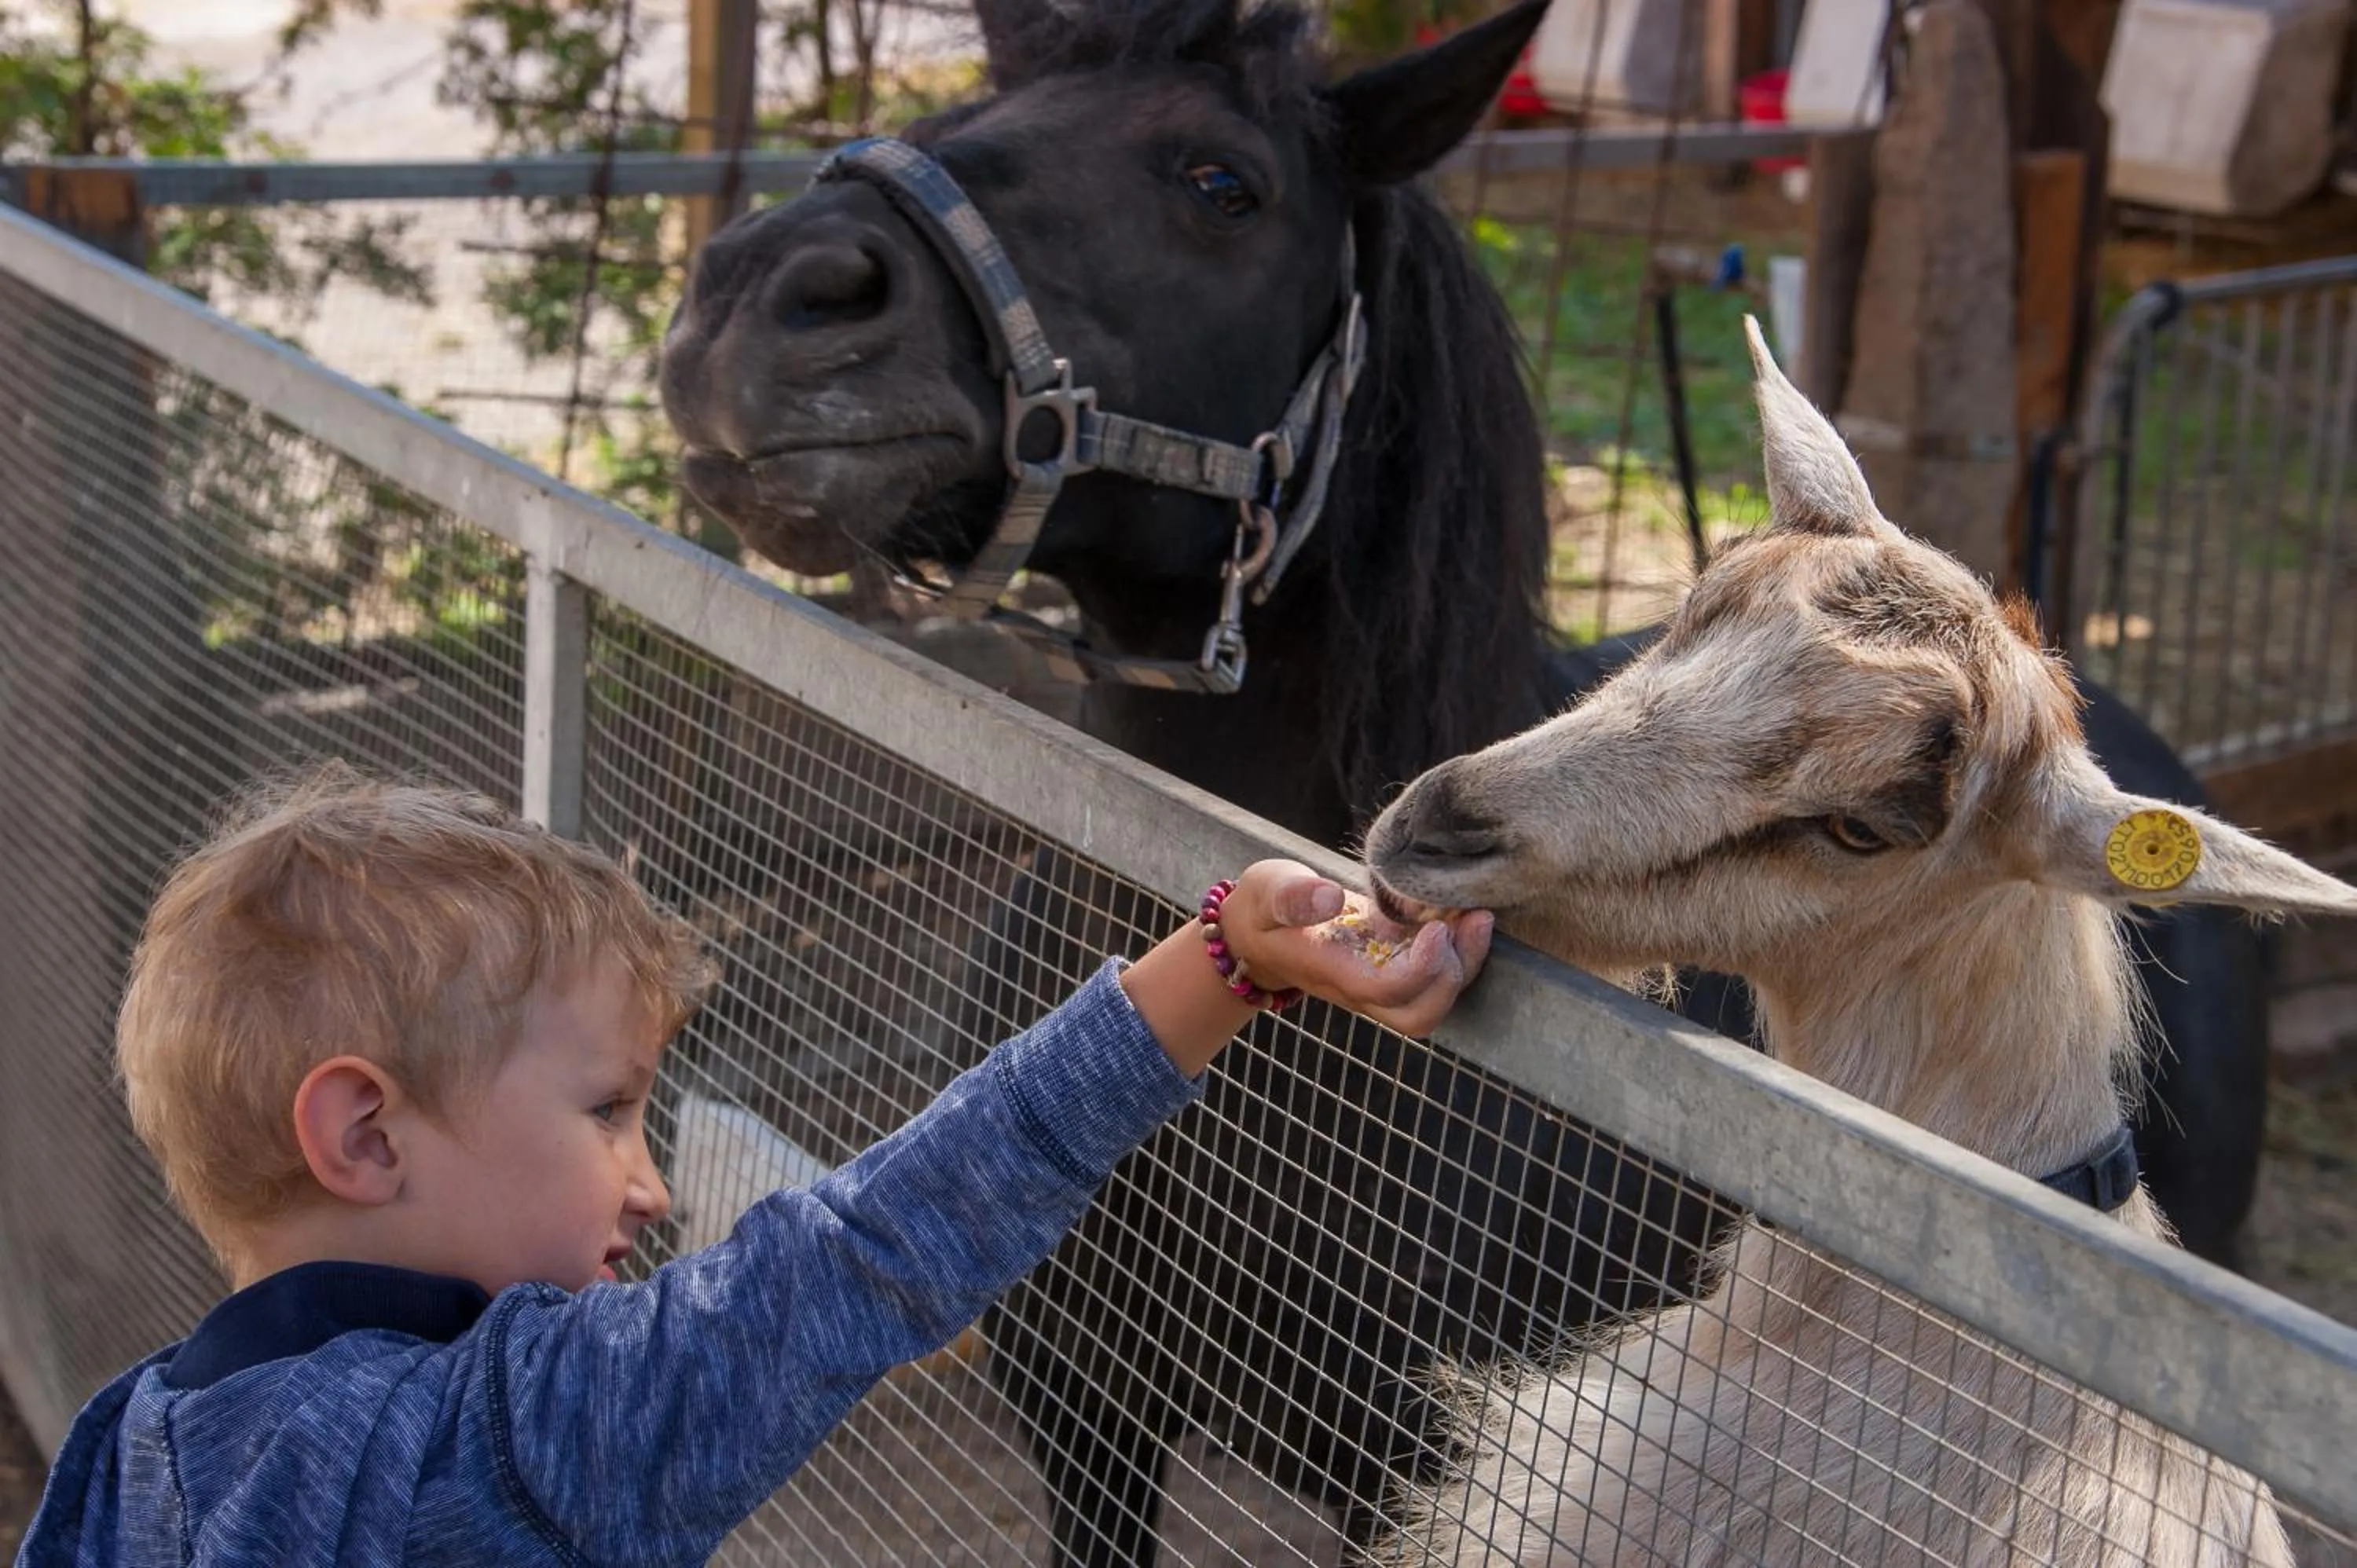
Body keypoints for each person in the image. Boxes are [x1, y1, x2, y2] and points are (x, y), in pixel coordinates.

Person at [16, 764, 1493, 1566]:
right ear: (364, 1135)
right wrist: (1221, 959)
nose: (648, 1185)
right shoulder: (512, 1433)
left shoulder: (117, 1450)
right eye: (606, 1109)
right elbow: (870, 1250)